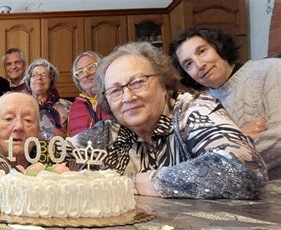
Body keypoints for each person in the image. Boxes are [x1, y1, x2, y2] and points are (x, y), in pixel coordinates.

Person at [65, 42, 267, 199]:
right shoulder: (110, 133)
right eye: (116, 90)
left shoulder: (192, 110)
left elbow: (244, 169)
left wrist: (136, 183)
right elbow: (53, 153)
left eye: (138, 82)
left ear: (163, 83)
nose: (127, 97)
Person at [169, 27, 281, 179]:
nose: (199, 64)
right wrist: (241, 136)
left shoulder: (270, 69)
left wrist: (227, 149)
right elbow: (193, 160)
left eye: (202, 51)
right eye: (188, 64)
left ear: (218, 47)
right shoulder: (201, 105)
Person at [0, 92, 40, 172]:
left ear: (38, 132)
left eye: (28, 120)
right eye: (8, 119)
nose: (19, 126)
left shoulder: (54, 164)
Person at [24, 58, 72, 140]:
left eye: (44, 75)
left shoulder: (67, 106)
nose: (39, 78)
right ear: (29, 80)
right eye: (34, 75)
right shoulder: (20, 106)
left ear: (51, 80)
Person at [68, 51, 111, 136]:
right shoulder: (74, 107)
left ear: (102, 68)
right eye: (80, 72)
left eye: (91, 67)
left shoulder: (113, 97)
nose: (86, 74)